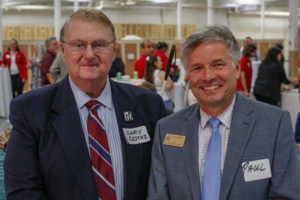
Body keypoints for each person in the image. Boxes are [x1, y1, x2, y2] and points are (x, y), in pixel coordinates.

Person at [4, 9, 167, 200]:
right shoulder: (31, 111)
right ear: (63, 51)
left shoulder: (148, 105)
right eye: (79, 45)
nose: (89, 54)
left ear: (113, 50)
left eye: (99, 44)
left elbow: (164, 179)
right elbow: (23, 192)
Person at [147, 25, 300, 200]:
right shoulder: (167, 129)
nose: (208, 76)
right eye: (197, 68)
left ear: (236, 69)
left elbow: (287, 196)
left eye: (218, 65)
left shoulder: (274, 125)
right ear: (188, 74)